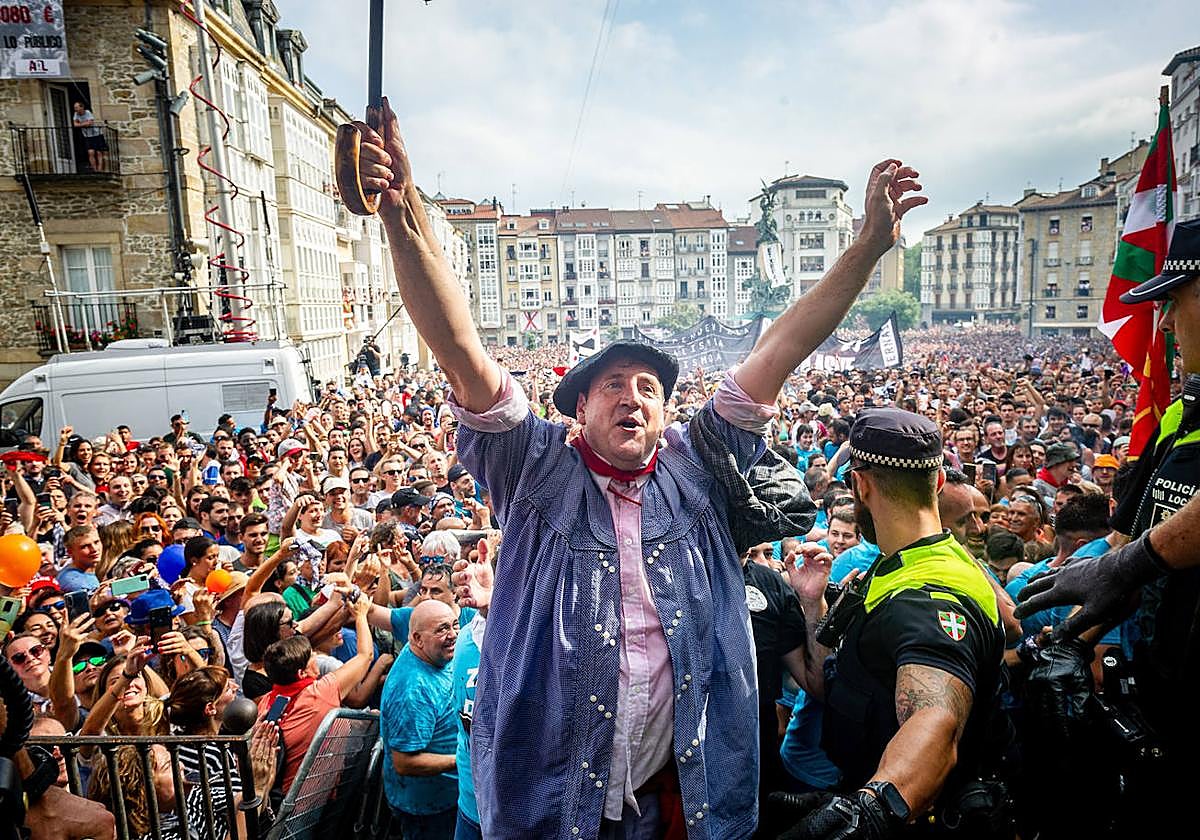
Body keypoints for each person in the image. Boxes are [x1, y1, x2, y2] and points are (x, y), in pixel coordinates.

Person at [354, 97, 925, 837]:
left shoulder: (701, 465)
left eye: (649, 388)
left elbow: (783, 346)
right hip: (554, 804)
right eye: (614, 386)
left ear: (667, 412)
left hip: (682, 801)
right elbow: (459, 347)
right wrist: (403, 212)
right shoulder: (535, 469)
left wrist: (869, 246)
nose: (634, 398)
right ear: (579, 407)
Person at [1015, 224, 1200, 832]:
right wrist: (1065, 633)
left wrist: (1126, 565)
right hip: (1162, 682)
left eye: (1175, 299)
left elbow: (1128, 558)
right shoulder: (1179, 412)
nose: (1165, 324)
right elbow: (1124, 539)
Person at [777, 408, 1010, 838]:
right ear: (938, 482)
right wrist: (813, 605)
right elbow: (844, 679)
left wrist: (865, 815)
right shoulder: (911, 564)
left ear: (860, 485)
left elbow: (935, 721)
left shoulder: (928, 595)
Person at [380, 599, 461, 839]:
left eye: (455, 625)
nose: (453, 634)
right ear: (416, 639)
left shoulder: (430, 653)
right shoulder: (412, 691)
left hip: (447, 796)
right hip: (428, 810)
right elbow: (405, 762)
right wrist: (462, 759)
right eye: (442, 629)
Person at [72, 101, 108, 172]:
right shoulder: (76, 114)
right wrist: (84, 123)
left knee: (99, 153)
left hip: (97, 134)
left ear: (81, 107)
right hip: (88, 136)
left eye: (76, 107)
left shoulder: (87, 112)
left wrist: (81, 124)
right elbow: (75, 125)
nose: (75, 109)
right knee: (90, 152)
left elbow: (90, 123)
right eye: (74, 108)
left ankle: (99, 170)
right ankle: (95, 170)